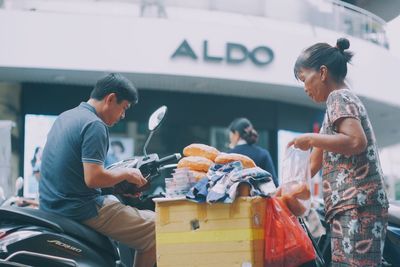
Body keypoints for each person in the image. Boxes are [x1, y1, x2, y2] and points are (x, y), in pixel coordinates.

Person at [289, 37, 389, 266]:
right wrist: (283, 191)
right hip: (349, 205)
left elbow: (356, 141)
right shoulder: (334, 107)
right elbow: (314, 163)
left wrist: (311, 137)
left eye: (305, 79)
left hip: (357, 203)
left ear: (322, 73)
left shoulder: (338, 97)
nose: (305, 88)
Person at [39, 73, 155, 267]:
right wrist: (127, 173)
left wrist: (117, 184)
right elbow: (93, 178)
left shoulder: (66, 116)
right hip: (80, 208)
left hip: (52, 204)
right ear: (110, 99)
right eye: (124, 108)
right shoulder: (95, 125)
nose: (123, 115)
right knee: (157, 227)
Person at [228, 117, 278, 187]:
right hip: (260, 197)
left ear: (236, 133)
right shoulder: (263, 153)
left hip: (233, 197)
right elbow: (274, 182)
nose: (230, 139)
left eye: (231, 135)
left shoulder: (228, 156)